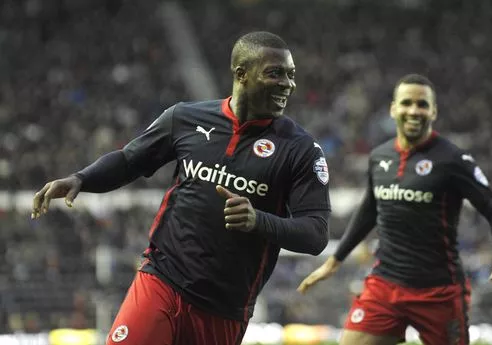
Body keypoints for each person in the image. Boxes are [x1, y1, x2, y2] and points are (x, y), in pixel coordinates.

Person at [31, 31, 331, 345]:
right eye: (275, 73)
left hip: (223, 308)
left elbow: (316, 233)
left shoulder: (301, 151)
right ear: (241, 74)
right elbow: (130, 160)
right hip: (162, 278)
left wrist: (258, 220)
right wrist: (82, 179)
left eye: (291, 75)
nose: (287, 84)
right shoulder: (185, 118)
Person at [297, 74, 492, 345]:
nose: (414, 111)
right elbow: (370, 209)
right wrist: (335, 261)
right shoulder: (380, 157)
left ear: (433, 111)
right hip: (386, 284)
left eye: (422, 105)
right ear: (393, 109)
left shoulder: (454, 160)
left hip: (439, 292)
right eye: (406, 103)